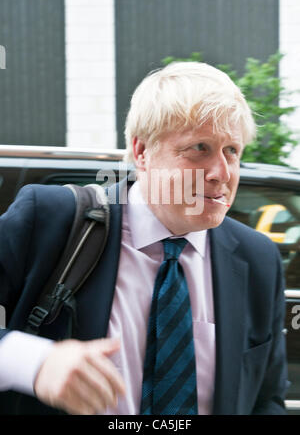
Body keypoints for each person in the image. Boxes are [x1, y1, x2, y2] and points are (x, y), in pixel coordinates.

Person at [0, 62, 287, 415]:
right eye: (200, 147)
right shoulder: (49, 219)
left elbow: (266, 399)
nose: (222, 173)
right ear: (141, 152)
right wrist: (35, 362)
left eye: (232, 150)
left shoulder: (258, 257)